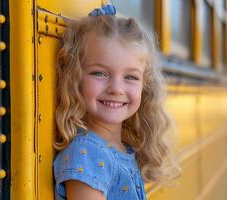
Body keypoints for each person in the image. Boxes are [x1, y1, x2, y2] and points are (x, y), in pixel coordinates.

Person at [53, 5, 180, 200]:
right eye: (100, 73)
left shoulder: (121, 148)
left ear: (145, 86)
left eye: (130, 77)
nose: (116, 88)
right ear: (76, 79)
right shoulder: (87, 153)